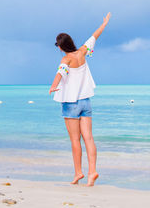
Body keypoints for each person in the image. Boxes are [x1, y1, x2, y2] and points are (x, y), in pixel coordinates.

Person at [49, 12, 111, 186]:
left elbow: (60, 73)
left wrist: (53, 87)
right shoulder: (82, 52)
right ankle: (93, 172)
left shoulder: (66, 59)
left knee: (75, 140)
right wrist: (104, 23)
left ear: (61, 46)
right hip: (86, 102)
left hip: (71, 104)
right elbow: (94, 36)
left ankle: (78, 173)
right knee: (89, 138)